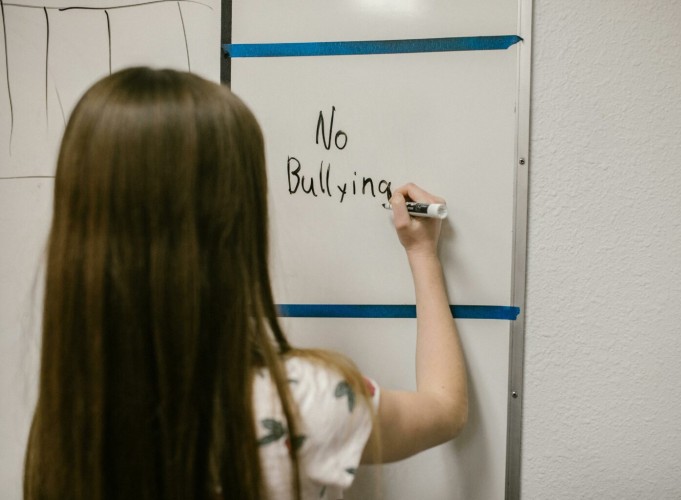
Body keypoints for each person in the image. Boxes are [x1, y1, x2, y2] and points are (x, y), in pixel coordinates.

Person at [24, 67, 467, 500]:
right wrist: (422, 254)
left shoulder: (68, 414)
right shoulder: (301, 404)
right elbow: (446, 410)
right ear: (232, 226)